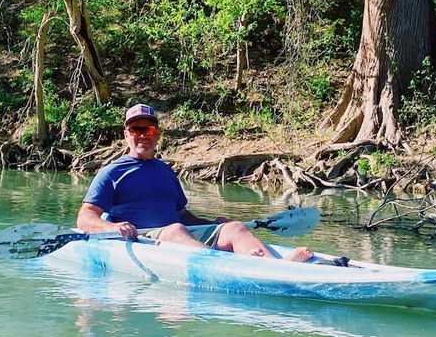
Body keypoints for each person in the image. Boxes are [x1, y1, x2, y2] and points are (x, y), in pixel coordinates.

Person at [77, 103, 314, 262]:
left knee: (234, 228)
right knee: (175, 230)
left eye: (147, 129)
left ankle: (277, 267)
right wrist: (112, 227)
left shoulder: (166, 172)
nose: (142, 135)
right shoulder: (112, 172)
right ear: (126, 134)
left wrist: (213, 223)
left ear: (157, 134)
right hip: (145, 239)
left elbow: (182, 215)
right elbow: (85, 218)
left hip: (178, 235)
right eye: (135, 130)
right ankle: (229, 265)